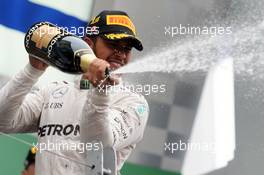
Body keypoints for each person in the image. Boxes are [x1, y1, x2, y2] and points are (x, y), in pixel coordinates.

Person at [0, 10, 149, 175]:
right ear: (88, 44)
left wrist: (101, 90)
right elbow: (3, 121)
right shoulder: (54, 91)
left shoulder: (134, 104)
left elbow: (97, 142)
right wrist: (32, 70)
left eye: (127, 49)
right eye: (113, 44)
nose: (121, 54)